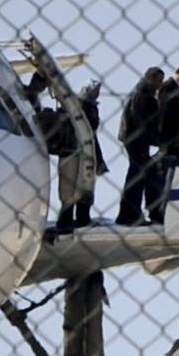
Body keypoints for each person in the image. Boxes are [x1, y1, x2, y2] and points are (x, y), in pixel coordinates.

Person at [55, 80, 107, 233]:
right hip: (71, 150)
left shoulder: (90, 108)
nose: (97, 92)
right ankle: (66, 220)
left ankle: (83, 218)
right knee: (69, 188)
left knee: (86, 186)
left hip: (85, 151)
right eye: (95, 89)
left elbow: (92, 135)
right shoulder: (75, 108)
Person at [116, 68, 164, 225]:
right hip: (137, 140)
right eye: (159, 80)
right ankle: (131, 214)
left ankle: (133, 213)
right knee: (137, 177)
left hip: (135, 140)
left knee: (140, 175)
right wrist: (155, 139)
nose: (160, 84)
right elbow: (142, 121)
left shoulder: (142, 92)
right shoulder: (144, 95)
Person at [149, 64, 179, 223]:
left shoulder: (178, 90)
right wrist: (166, 140)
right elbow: (164, 115)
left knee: (174, 177)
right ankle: (161, 211)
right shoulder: (169, 87)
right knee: (166, 177)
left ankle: (167, 209)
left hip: (177, 142)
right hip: (170, 142)